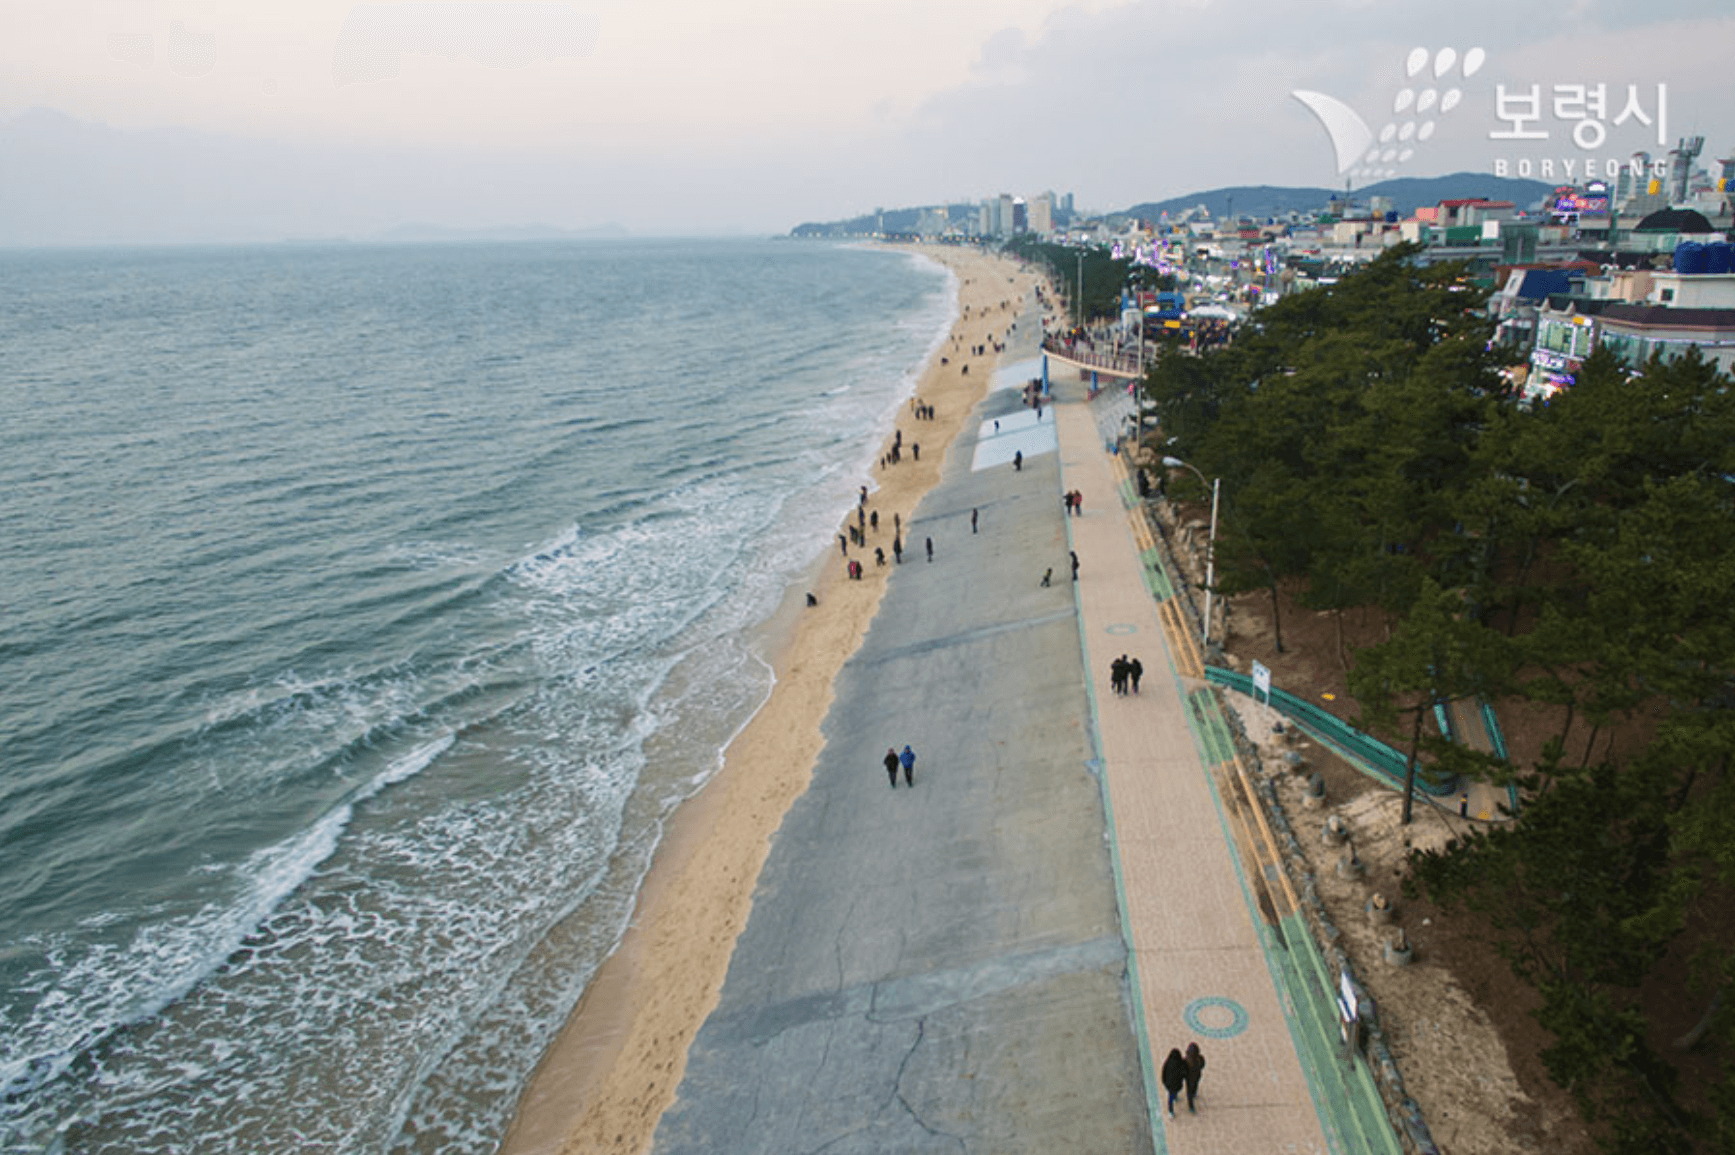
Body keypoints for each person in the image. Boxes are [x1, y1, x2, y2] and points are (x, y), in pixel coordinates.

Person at [1160, 1048, 1187, 1117]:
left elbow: (1163, 1072)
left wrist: (1164, 1081)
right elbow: (1184, 1073)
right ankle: (1171, 1109)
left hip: (1169, 1084)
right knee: (1172, 1096)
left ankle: (1171, 1111)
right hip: (1176, 1084)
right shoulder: (1181, 1063)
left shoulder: (1168, 1062)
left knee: (1170, 1097)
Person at [1184, 1042, 1206, 1112]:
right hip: (1196, 1076)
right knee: (1194, 1087)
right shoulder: (1199, 1058)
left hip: (1190, 1078)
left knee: (1189, 1092)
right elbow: (1203, 1065)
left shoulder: (1186, 1060)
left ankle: (1191, 1106)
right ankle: (1194, 1095)